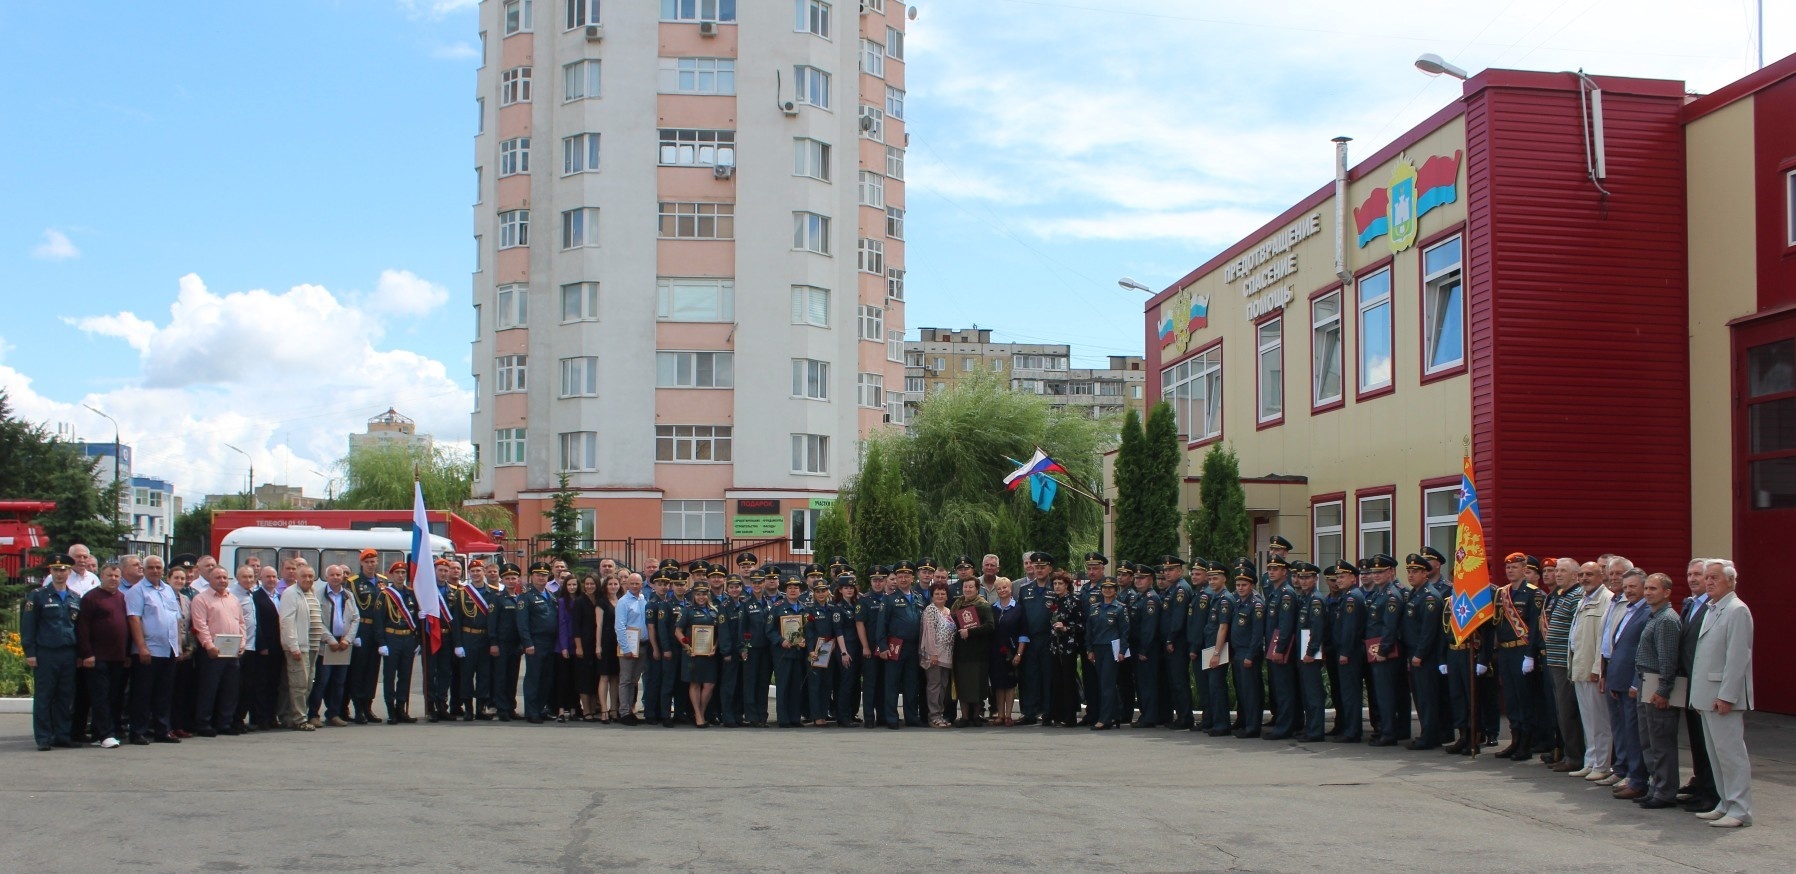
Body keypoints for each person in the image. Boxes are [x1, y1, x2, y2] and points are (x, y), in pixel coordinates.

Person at [1689, 559, 1753, 828]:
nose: (1709, 582)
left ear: (1731, 581)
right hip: (1706, 693)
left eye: (1715, 577)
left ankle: (1740, 809)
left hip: (1721, 696)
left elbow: (1738, 657)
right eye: (1707, 577)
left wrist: (1727, 695)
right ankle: (1725, 802)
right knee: (1715, 754)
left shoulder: (1737, 610)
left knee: (1731, 754)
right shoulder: (1713, 608)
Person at [1631, 572, 1682, 810]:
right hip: (1645, 680)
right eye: (1647, 588)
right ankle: (1655, 785)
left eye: (1654, 589)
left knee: (1661, 741)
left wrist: (1663, 690)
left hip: (1656, 683)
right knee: (1648, 740)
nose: (1648, 593)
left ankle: (1666, 790)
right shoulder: (1654, 617)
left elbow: (1668, 659)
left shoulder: (1667, 620)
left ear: (1667, 593)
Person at [22, 553, 82, 750]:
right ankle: (44, 737)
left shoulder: (75, 597)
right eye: (56, 570)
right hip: (46, 652)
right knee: (44, 696)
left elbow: (78, 627)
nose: (59, 574)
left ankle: (62, 735)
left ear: (69, 572)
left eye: (63, 570)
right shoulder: (38, 596)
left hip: (68, 652)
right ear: (50, 571)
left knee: (65, 695)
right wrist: (30, 652)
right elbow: (28, 626)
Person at [1675, 559, 1718, 812]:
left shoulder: (1713, 608)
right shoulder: (1689, 604)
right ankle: (1700, 783)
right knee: (1695, 740)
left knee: (1708, 741)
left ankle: (1712, 792)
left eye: (1698, 575)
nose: (1692, 579)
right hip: (1688, 682)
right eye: (1689, 574)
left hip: (1703, 682)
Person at [126, 558, 184, 745]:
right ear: (143, 570)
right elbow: (134, 619)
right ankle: (138, 731)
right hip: (149, 650)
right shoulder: (137, 591)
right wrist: (141, 647)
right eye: (150, 567)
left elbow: (176, 619)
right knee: (142, 693)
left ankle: (162, 730)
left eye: (158, 567)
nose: (154, 570)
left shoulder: (168, 590)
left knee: (164, 694)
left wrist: (178, 647)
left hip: (168, 650)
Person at [1605, 569, 1651, 798]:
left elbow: (1642, 653)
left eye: (1633, 587)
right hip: (1619, 681)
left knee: (1635, 734)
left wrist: (1634, 683)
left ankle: (1638, 778)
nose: (1629, 591)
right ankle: (1629, 773)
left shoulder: (1647, 612)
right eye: (1626, 587)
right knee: (1624, 732)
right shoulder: (1629, 610)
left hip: (1633, 685)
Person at [78, 561, 131, 749]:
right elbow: (82, 627)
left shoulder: (122, 598)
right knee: (100, 696)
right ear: (101, 576)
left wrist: (126, 653)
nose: (113, 579)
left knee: (114, 697)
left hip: (118, 657)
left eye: (117, 576)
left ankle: (104, 731)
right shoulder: (91, 598)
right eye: (110, 575)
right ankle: (105, 735)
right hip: (97, 657)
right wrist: (87, 653)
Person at [189, 565, 246, 737]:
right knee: (209, 688)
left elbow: (241, 623)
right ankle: (204, 723)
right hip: (212, 652)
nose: (221, 581)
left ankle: (225, 722)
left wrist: (242, 643)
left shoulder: (233, 599)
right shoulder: (201, 599)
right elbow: (200, 625)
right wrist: (209, 645)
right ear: (210, 580)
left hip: (232, 651)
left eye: (224, 578)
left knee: (230, 689)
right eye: (218, 578)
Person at [1568, 560, 1613, 777]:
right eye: (1581, 575)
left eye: (1590, 574)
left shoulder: (1607, 599)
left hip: (1593, 669)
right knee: (1588, 719)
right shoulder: (1583, 599)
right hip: (1579, 666)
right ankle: (1591, 761)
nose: (1584, 579)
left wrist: (1599, 667)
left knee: (1599, 721)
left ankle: (1602, 765)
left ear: (1601, 576)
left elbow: (1604, 638)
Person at [877, 562, 926, 729]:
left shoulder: (919, 598)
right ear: (896, 579)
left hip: (914, 647)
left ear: (912, 578)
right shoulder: (889, 599)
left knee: (911, 684)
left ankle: (912, 717)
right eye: (900, 576)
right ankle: (891, 718)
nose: (903, 579)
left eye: (906, 576)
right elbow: (881, 625)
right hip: (895, 646)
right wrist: (882, 647)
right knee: (892, 683)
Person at [277, 562, 325, 731]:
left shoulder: (311, 594)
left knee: (307, 684)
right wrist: (293, 646)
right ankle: (299, 719)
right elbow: (287, 621)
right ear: (296, 577)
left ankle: (292, 716)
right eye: (304, 576)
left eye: (311, 576)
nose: (308, 579)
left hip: (312, 647)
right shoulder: (291, 594)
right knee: (299, 684)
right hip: (299, 648)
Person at [309, 564, 359, 727]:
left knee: (339, 682)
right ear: (326, 577)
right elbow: (317, 620)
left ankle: (334, 714)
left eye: (340, 575)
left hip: (344, 644)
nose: (337, 577)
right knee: (322, 681)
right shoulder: (318, 595)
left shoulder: (348, 596)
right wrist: (330, 639)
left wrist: (348, 639)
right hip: (327, 645)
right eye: (333, 575)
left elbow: (355, 619)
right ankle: (313, 714)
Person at [375, 568, 421, 725]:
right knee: (389, 676)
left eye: (403, 573)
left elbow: (416, 617)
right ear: (391, 575)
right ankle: (391, 710)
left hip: (407, 638)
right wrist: (381, 643)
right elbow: (379, 621)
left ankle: (402, 709)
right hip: (392, 637)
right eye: (397, 573)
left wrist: (417, 640)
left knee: (405, 675)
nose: (400, 576)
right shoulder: (385, 594)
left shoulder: (411, 593)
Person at [1328, 561, 1367, 743]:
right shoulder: (1346, 596)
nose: (1339, 580)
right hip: (1344, 651)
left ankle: (1352, 731)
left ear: (1353, 577)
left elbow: (1350, 629)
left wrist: (1345, 652)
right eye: (1338, 577)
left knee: (1350, 692)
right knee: (1345, 691)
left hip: (1350, 653)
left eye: (1342, 576)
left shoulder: (1352, 598)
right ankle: (1348, 727)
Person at [517, 562, 561, 724]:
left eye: (544, 575)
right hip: (536, 641)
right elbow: (522, 623)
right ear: (532, 577)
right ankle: (531, 711)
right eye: (538, 575)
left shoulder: (551, 595)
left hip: (551, 642)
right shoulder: (526, 596)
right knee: (534, 677)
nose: (541, 578)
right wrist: (527, 643)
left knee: (546, 678)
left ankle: (540, 707)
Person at [1014, 552, 1054, 726]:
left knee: (1048, 677)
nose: (1038, 570)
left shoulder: (1055, 588)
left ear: (1050, 568)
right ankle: (1029, 713)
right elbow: (1021, 617)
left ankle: (1048, 712)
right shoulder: (1025, 590)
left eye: (1042, 567)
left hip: (1048, 639)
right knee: (1030, 677)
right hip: (1030, 640)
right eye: (1036, 566)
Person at [950, 576, 994, 727]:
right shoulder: (957, 604)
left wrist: (970, 632)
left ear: (977, 589)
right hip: (961, 652)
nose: (967, 590)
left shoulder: (983, 606)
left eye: (971, 587)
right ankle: (964, 716)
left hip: (978, 652)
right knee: (963, 685)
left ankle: (976, 716)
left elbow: (990, 626)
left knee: (977, 685)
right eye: (965, 587)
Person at [1085, 578, 1128, 730]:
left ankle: (1105, 719)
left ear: (1115, 590)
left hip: (1112, 649)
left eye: (1111, 588)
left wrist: (1122, 651)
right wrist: (1089, 649)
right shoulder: (1094, 608)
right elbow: (1089, 630)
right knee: (1103, 684)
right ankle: (1115, 715)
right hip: (1098, 648)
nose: (1107, 590)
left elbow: (1125, 632)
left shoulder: (1120, 608)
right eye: (1105, 588)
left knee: (1107, 684)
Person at [677, 579, 721, 728]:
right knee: (695, 683)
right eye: (698, 594)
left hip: (709, 654)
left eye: (704, 594)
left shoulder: (714, 611)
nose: (701, 597)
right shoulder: (687, 610)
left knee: (709, 684)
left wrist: (715, 646)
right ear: (693, 595)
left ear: (708, 594)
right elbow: (677, 631)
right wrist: (687, 645)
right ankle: (698, 715)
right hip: (692, 654)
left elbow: (719, 633)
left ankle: (700, 712)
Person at [1046, 570, 1084, 727]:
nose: (1057, 586)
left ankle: (1070, 717)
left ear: (1067, 585)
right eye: (1055, 583)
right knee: (1057, 680)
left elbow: (1081, 624)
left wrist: (1066, 627)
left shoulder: (1074, 600)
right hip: (1055, 645)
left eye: (1060, 583)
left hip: (1068, 645)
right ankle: (1057, 714)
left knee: (1068, 680)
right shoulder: (1054, 600)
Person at [769, 576, 808, 728]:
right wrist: (781, 640)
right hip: (782, 653)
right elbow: (769, 630)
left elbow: (809, 630)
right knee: (783, 686)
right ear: (785, 591)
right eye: (790, 588)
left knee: (796, 686)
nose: (793, 590)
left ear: (800, 590)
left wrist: (805, 640)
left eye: (796, 588)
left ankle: (795, 718)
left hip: (798, 653)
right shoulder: (777, 607)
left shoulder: (804, 608)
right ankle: (783, 718)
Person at [490, 564, 525, 721]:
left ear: (518, 579)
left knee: (513, 676)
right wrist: (493, 642)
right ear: (502, 580)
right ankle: (502, 708)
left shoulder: (521, 597)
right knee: (501, 676)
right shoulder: (497, 598)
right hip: (502, 643)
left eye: (513, 578)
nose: (511, 581)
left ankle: (511, 707)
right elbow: (492, 622)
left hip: (516, 644)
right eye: (507, 578)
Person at [919, 581, 956, 728]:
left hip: (947, 656)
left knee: (943, 686)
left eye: (943, 593)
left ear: (947, 596)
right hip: (934, 655)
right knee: (934, 686)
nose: (940, 596)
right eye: (937, 594)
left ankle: (940, 714)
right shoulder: (931, 610)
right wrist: (933, 653)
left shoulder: (948, 611)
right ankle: (933, 716)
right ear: (932, 596)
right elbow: (930, 633)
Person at [989, 578, 1025, 726]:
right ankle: (1000, 715)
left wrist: (1019, 653)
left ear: (1010, 589)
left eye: (1005, 588)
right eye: (999, 588)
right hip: (995, 651)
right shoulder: (992, 608)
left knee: (1009, 684)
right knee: (998, 683)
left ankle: (1009, 715)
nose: (1002, 590)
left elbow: (1023, 633)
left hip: (1012, 651)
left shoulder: (1018, 608)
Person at [596, 573, 623, 723]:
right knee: (604, 676)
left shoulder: (621, 601)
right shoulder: (601, 602)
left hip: (618, 641)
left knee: (615, 677)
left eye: (615, 584)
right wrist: (598, 646)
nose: (613, 586)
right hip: (606, 641)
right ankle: (604, 710)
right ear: (605, 586)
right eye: (610, 584)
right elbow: (598, 625)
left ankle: (614, 709)